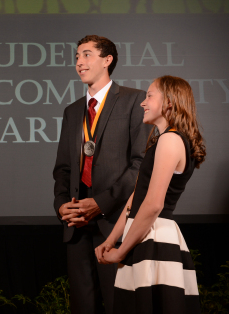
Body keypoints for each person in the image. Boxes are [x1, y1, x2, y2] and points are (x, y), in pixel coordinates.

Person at [53, 35, 150, 314]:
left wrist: (102, 203)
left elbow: (141, 164)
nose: (79, 63)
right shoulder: (72, 112)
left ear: (107, 60)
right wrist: (61, 205)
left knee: (120, 304)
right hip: (77, 225)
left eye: (86, 55)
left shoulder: (133, 100)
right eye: (76, 57)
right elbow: (63, 169)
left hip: (116, 222)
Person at [96, 75, 205, 313]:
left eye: (149, 96)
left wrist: (121, 252)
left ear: (169, 102)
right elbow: (135, 199)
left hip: (152, 237)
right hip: (144, 234)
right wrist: (112, 240)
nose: (142, 103)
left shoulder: (170, 140)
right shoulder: (164, 140)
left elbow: (154, 204)